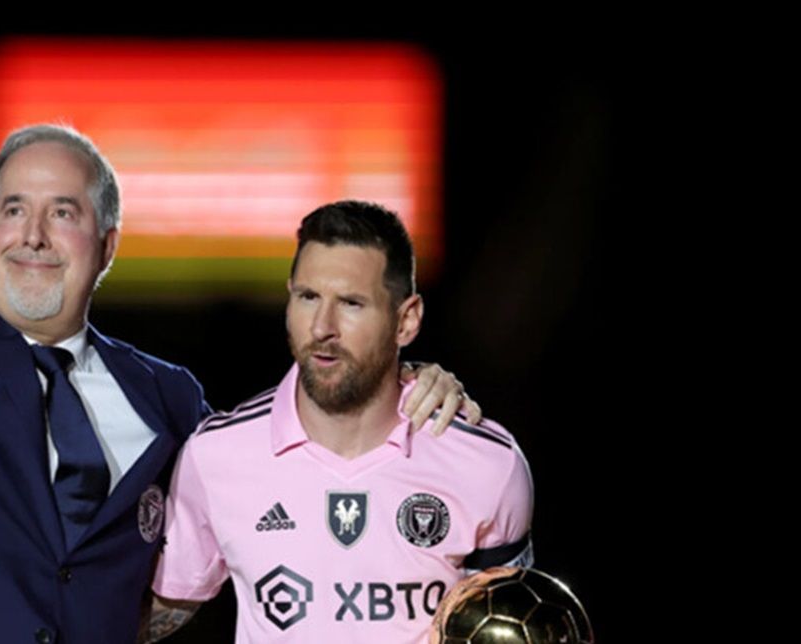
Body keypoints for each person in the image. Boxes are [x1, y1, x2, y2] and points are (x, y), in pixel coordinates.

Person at [0, 62, 478, 643]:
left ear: (108, 246)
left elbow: (287, 456)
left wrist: (403, 382)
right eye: (14, 209)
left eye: (63, 212)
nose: (33, 235)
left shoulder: (167, 397)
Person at [144, 201, 533, 643]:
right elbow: (163, 605)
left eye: (351, 303)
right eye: (308, 297)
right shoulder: (215, 456)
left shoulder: (486, 464)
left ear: (406, 321)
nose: (322, 327)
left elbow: (505, 624)